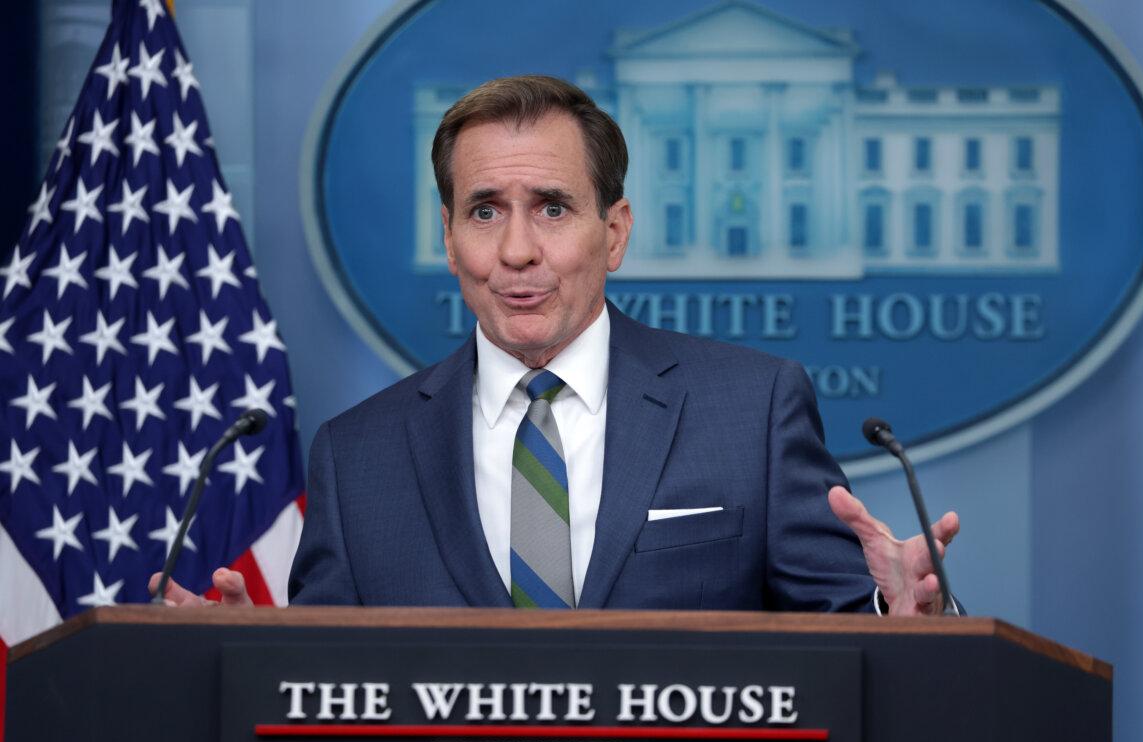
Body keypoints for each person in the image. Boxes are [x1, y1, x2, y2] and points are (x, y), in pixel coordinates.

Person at [152, 75, 959, 616]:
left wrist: (902, 611)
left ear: (615, 232)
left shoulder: (751, 412)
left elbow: (849, 637)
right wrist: (256, 656)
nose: (516, 251)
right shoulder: (356, 456)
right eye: (484, 212)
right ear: (448, 238)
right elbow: (327, 691)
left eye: (551, 208)